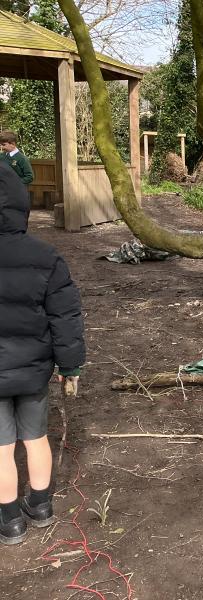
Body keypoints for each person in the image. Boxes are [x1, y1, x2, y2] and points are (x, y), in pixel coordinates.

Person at [0, 162, 85, 545]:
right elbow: (65, 317)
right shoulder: (46, 257)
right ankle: (41, 505)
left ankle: (10, 521)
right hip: (34, 370)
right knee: (36, 438)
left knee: (1, 448)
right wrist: (70, 365)